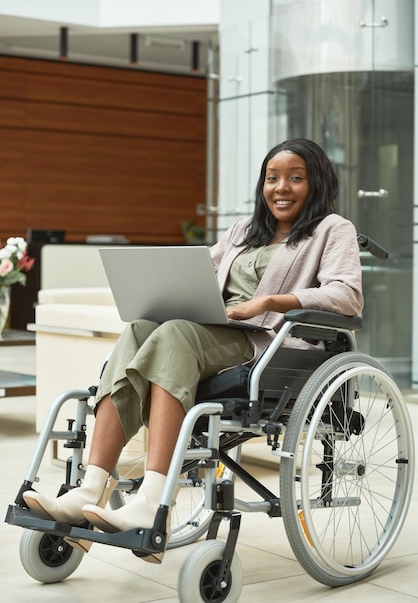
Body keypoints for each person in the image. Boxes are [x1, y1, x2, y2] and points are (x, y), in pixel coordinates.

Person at [23, 138, 364, 562]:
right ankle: (91, 487)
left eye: (295, 178)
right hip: (213, 330)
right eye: (272, 178)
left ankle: (152, 501)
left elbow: (347, 295)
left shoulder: (332, 229)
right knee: (139, 329)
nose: (281, 188)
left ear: (316, 183)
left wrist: (271, 302)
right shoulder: (244, 231)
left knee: (174, 336)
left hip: (268, 343)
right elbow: (205, 266)